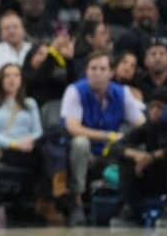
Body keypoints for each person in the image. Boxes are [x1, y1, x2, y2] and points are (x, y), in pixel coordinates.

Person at [61, 51, 146, 225]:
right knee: (80, 143)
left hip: (112, 152)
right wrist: (108, 135)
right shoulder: (75, 90)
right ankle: (76, 201)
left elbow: (141, 124)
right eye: (93, 68)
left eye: (102, 68)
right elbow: (73, 128)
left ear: (111, 73)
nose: (97, 73)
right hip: (87, 153)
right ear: (86, 71)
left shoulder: (122, 93)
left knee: (138, 148)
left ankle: (130, 206)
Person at [0, 63, 58, 221]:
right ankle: (47, 199)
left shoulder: (29, 103)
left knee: (50, 143)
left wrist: (30, 141)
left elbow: (37, 131)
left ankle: (43, 199)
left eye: (16, 75)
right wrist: (14, 144)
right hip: (4, 148)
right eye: (7, 75)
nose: (12, 79)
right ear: (0, 79)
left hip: (29, 147)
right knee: (46, 155)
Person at [110, 89, 167, 223]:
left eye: (160, 107)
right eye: (152, 106)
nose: (155, 110)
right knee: (126, 158)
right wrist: (135, 155)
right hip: (149, 177)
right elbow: (116, 146)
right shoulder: (146, 128)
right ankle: (130, 210)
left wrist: (153, 157)